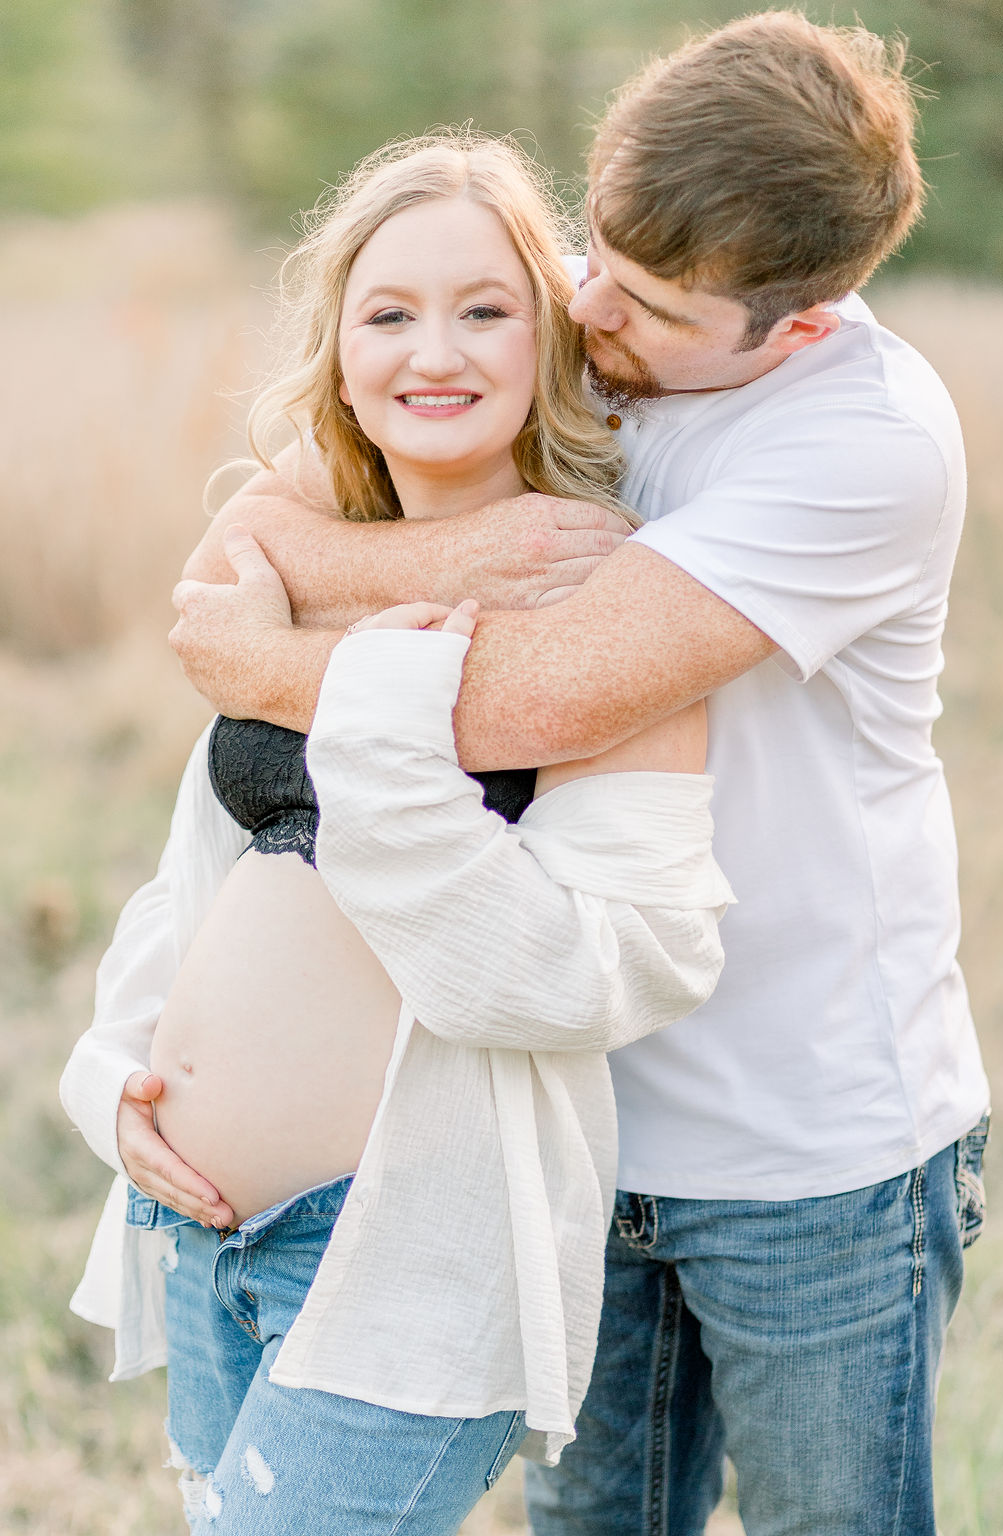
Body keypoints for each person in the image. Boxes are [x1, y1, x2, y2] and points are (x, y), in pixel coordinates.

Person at [165, 12, 991, 1535]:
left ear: (792, 324)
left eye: (651, 299)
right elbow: (237, 557)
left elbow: (531, 700)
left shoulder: (862, 443)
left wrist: (271, 661)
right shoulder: (579, 327)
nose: (588, 304)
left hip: (806, 1140)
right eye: (593, 248)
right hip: (566, 1115)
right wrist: (460, 550)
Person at [59, 135, 735, 1535]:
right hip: (203, 1236)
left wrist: (377, 711)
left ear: (549, 337)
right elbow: (199, 882)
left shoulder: (606, 602)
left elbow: (602, 972)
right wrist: (115, 1073)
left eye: (486, 308)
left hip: (404, 1261)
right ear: (340, 349)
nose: (437, 351)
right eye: (390, 312)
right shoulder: (288, 566)